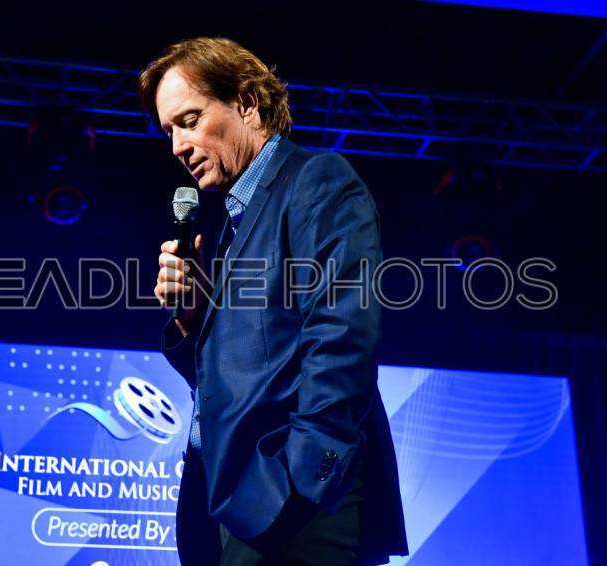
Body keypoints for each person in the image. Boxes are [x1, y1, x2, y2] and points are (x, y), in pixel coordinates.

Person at [139, 37, 407, 565]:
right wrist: (194, 320)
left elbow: (343, 342)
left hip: (291, 510)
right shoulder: (236, 224)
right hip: (234, 505)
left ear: (246, 104)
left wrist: (298, 485)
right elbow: (243, 377)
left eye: (189, 121)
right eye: (169, 131)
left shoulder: (315, 181)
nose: (177, 146)